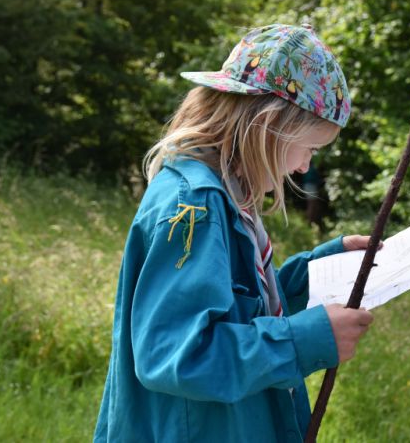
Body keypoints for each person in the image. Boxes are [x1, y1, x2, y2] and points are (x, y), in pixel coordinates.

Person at [94, 24, 374, 443]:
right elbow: (177, 354)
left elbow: (236, 306)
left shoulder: (227, 195)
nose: (303, 167)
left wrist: (315, 273)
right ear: (268, 126)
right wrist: (303, 341)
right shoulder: (195, 207)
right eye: (310, 149)